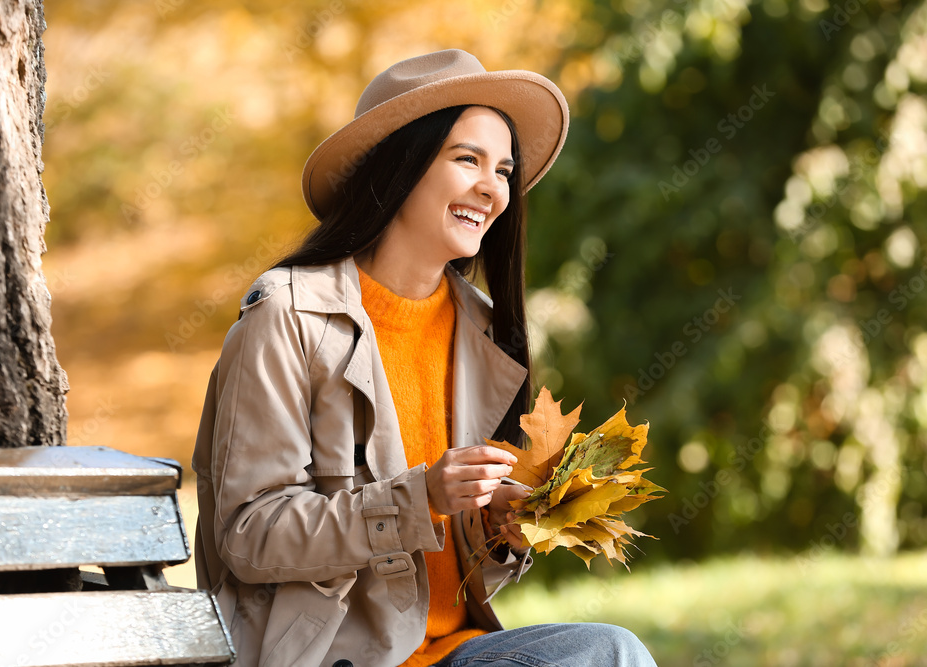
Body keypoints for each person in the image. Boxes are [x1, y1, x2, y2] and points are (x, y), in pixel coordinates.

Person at [192, 49, 657, 667]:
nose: (492, 188)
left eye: (504, 170)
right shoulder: (287, 317)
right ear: (399, 167)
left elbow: (446, 581)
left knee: (611, 652)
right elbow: (250, 535)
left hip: (457, 651)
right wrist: (420, 498)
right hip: (329, 656)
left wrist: (497, 529)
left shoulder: (483, 330)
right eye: (466, 159)